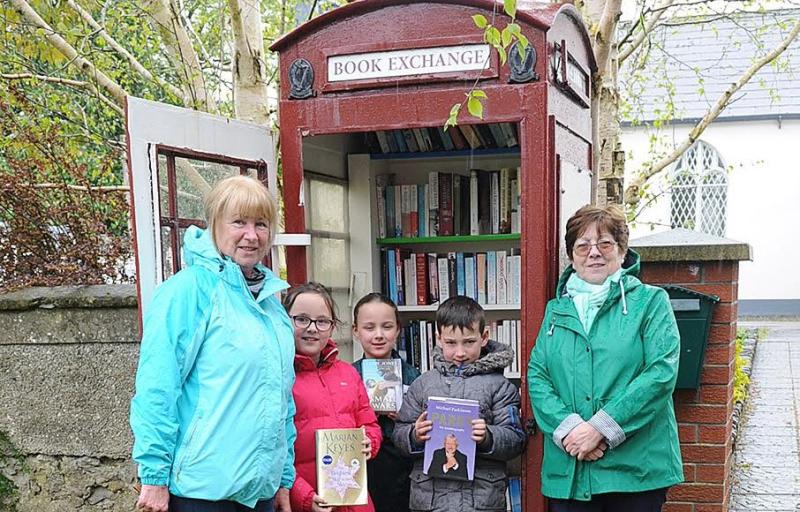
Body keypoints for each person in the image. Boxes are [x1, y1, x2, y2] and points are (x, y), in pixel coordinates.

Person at [130, 175, 295, 512]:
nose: (251, 235)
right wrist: (154, 476)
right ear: (214, 224)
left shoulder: (270, 304)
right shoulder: (187, 292)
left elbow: (282, 400)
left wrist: (282, 479)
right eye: (239, 222)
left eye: (261, 224)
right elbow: (158, 388)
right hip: (200, 492)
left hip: (259, 493)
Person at [528, 204, 683, 511]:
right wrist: (571, 430)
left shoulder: (651, 302)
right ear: (572, 256)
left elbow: (660, 373)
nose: (593, 252)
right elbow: (537, 375)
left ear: (622, 251)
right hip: (570, 468)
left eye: (604, 244)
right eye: (582, 245)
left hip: (636, 470)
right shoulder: (556, 311)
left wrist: (599, 429)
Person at [392, 296, 526, 512]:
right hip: (430, 499)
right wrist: (414, 435)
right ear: (438, 338)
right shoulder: (423, 384)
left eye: (469, 342)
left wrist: (488, 437)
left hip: (480, 499)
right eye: (451, 343)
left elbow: (516, 440)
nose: (460, 352)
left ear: (484, 337)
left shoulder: (500, 386)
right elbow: (398, 434)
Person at [283, 282, 383, 512]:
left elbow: (370, 424)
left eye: (321, 321)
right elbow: (275, 451)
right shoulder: (280, 378)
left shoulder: (347, 373)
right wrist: (305, 497)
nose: (312, 328)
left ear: (332, 326)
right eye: (301, 319)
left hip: (355, 501)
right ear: (284, 321)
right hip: (309, 501)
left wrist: (369, 441)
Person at [351, 293, 421, 512]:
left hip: (402, 472)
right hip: (359, 467)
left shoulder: (414, 377)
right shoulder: (346, 376)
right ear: (356, 331)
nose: (379, 335)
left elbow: (426, 432)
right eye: (369, 328)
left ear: (398, 330)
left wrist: (407, 418)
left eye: (387, 327)